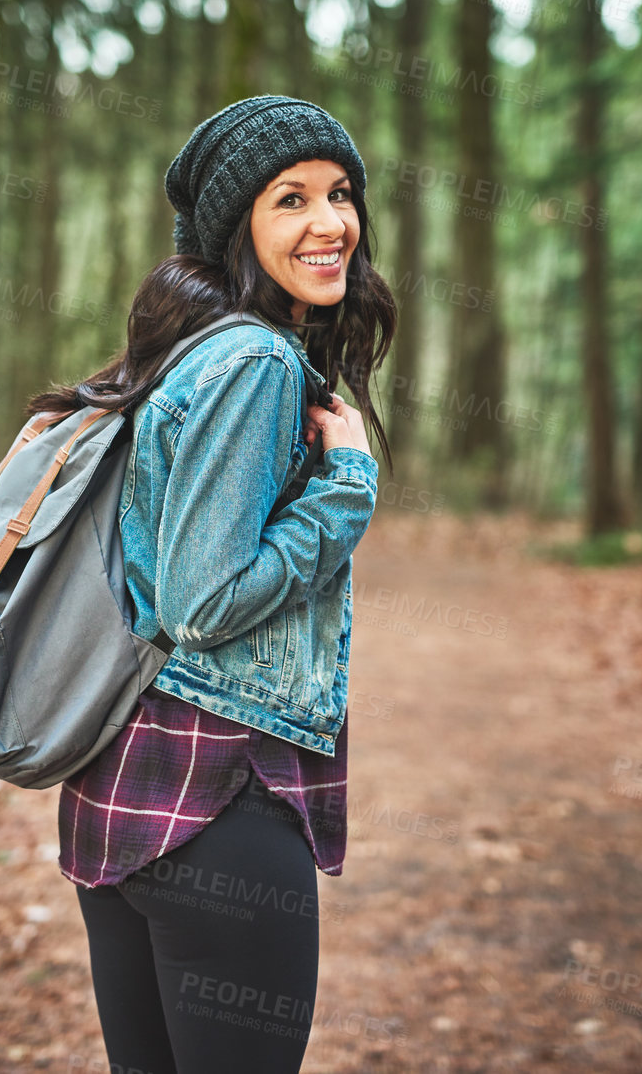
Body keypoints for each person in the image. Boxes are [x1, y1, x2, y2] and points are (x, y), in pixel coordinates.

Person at [21, 95, 397, 1074]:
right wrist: (346, 487)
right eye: (291, 200)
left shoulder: (194, 346)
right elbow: (200, 601)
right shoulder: (253, 363)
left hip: (126, 789)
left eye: (341, 193)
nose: (332, 224)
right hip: (217, 799)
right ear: (239, 225)